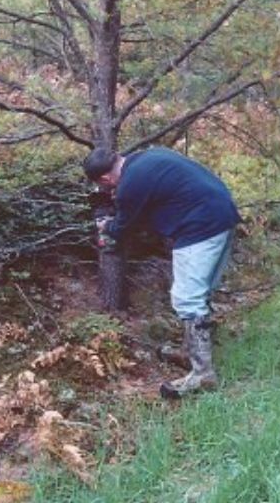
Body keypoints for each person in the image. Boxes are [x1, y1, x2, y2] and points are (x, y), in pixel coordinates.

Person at [82, 146, 240, 399]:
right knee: (200, 293)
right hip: (221, 214)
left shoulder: (130, 184)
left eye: (107, 187)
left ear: (104, 179)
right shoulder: (145, 158)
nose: (110, 191)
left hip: (200, 226)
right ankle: (190, 352)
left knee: (187, 298)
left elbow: (122, 227)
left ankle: (203, 374)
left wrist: (105, 224)